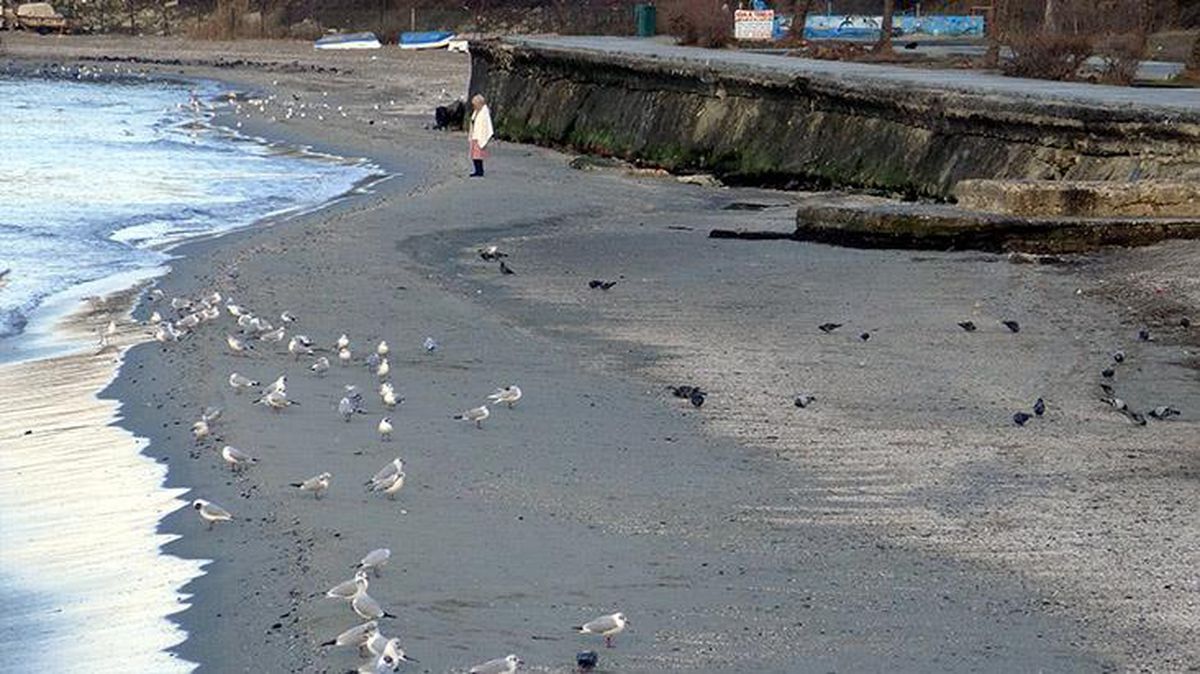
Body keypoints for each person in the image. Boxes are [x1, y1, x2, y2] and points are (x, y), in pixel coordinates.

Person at [468, 94, 493, 178]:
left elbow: (485, 126)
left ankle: (479, 171)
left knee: (478, 155)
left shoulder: (484, 113)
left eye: (475, 104)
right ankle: (477, 170)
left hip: (479, 136)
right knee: (474, 154)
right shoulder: (477, 111)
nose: (474, 106)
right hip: (475, 135)